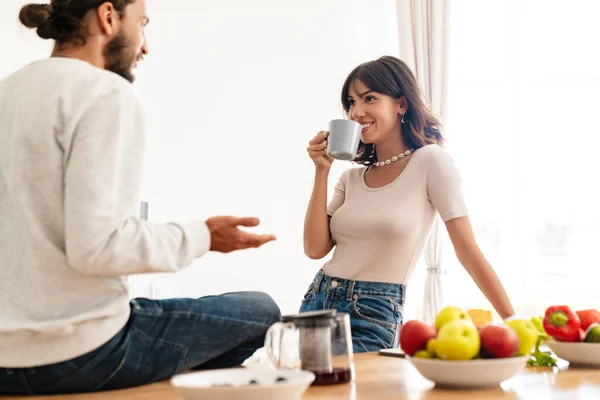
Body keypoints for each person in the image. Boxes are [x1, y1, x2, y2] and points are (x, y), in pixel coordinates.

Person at [0, 0, 280, 395]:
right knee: (261, 311)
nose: (144, 46)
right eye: (141, 24)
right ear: (108, 16)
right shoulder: (104, 93)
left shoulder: (7, 90)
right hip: (81, 353)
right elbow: (97, 247)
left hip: (5, 356)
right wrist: (203, 236)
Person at [301, 55, 515, 352]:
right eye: (351, 102)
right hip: (319, 301)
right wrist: (322, 169)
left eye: (370, 98)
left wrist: (514, 323)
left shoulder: (430, 161)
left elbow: (467, 251)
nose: (356, 112)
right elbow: (314, 249)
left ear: (401, 104)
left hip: (373, 312)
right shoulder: (351, 178)